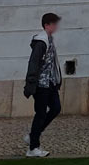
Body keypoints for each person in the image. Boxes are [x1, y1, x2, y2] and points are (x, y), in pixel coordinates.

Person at [23, 12, 62, 158]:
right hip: (40, 84)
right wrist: (31, 83)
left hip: (50, 83)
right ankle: (33, 148)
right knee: (40, 114)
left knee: (56, 108)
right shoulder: (41, 42)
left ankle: (33, 135)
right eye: (53, 24)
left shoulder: (49, 40)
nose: (56, 26)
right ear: (47, 25)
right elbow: (33, 63)